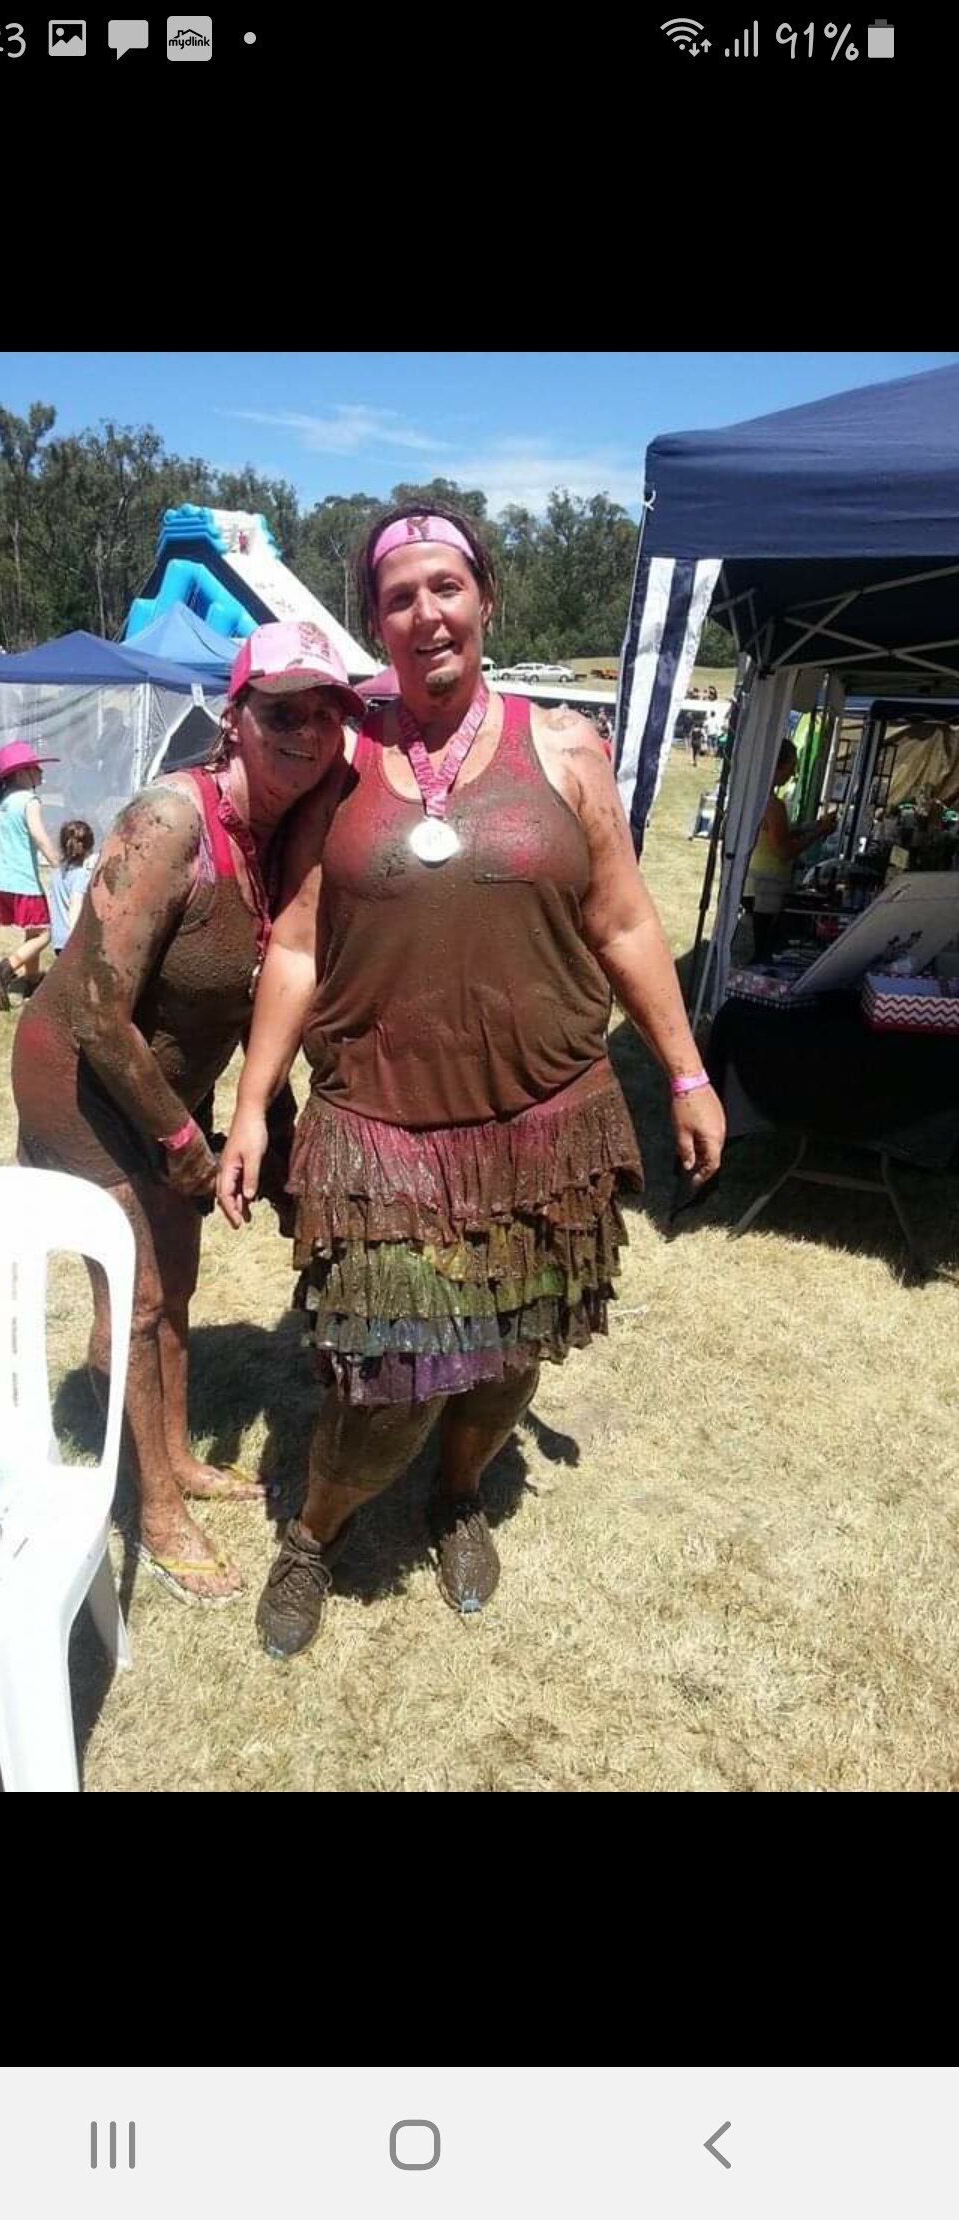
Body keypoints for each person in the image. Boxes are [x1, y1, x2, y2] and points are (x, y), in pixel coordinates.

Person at [220, 505, 726, 1659]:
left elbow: (624, 921)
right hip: (383, 1130)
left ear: (486, 598)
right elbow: (295, 944)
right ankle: (314, 1532)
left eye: (445, 587)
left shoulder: (565, 749)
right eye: (400, 598)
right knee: (390, 1380)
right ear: (376, 624)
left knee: (508, 1362)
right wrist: (251, 1107)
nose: (427, 614)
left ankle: (457, 1498)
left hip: (547, 1127)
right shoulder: (346, 757)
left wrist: (688, 1073)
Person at [11, 621, 362, 1603]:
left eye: (326, 713)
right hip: (82, 1086)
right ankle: (155, 1508)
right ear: (235, 717)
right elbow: (93, 1007)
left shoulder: (281, 837)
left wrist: (267, 1131)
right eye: (282, 712)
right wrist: (178, 1141)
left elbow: (257, 1005)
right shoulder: (170, 823)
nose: (307, 731)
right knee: (136, 1297)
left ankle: (174, 1455)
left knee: (179, 1281)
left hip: (169, 1090)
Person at [0, 741, 61, 1010]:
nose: (41, 772)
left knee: (32, 930)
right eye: (36, 767)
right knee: (45, 934)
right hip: (25, 883)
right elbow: (39, 835)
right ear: (22, 773)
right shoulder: (29, 800)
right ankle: (5, 969)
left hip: (2, 883)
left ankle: (32, 983)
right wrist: (58, 863)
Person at [744, 737, 838, 962]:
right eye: (792, 766)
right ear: (779, 766)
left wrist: (813, 826)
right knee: (762, 953)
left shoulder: (756, 796)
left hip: (754, 884)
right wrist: (818, 833)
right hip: (765, 888)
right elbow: (783, 850)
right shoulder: (773, 805)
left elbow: (779, 833)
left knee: (757, 949)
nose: (793, 773)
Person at [47, 818, 96, 957]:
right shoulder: (81, 875)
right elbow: (75, 906)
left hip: (58, 939)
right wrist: (76, 939)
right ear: (89, 847)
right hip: (71, 940)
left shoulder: (56, 872)